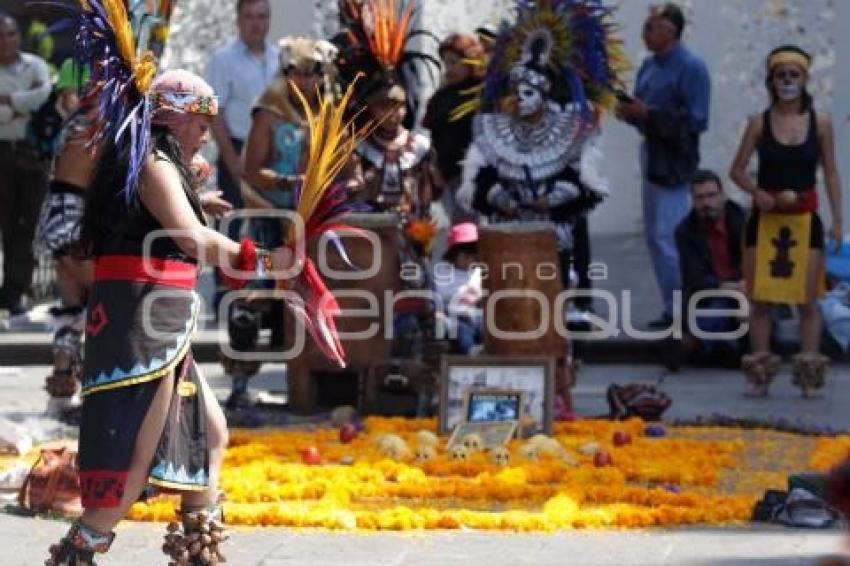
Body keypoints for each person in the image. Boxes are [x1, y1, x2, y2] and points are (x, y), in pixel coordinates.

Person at [457, 0, 623, 405]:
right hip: (508, 242)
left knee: (552, 320)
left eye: (529, 91)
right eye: (516, 91)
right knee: (508, 314)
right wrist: (503, 200)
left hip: (555, 241)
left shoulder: (569, 132)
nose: (521, 98)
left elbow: (591, 187)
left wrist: (554, 199)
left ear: (546, 96)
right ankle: (504, 394)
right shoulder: (495, 133)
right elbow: (476, 185)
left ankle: (558, 397)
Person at [221, 37, 338, 407]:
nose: (305, 82)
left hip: (314, 219)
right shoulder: (268, 111)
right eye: (297, 74)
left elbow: (346, 165)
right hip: (269, 216)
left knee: (320, 294)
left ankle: (318, 382)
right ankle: (241, 385)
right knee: (255, 294)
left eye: (313, 74)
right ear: (286, 74)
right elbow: (251, 169)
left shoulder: (331, 109)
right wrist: (289, 182)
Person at [729, 45, 842, 398]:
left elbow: (831, 173)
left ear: (805, 80)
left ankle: (809, 372)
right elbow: (736, 170)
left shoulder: (820, 123)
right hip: (765, 221)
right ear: (772, 81)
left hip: (805, 220)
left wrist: (838, 219)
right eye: (781, 75)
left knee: (808, 300)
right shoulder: (758, 123)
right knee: (761, 299)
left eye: (794, 75)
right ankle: (760, 372)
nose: (788, 81)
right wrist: (755, 190)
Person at [616, 3, 711, 329]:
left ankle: (684, 311)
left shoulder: (692, 67)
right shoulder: (648, 66)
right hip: (652, 153)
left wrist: (650, 115)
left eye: (651, 27)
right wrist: (631, 113)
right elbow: (645, 113)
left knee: (668, 234)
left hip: (675, 159)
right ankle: (671, 306)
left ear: (670, 31)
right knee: (655, 237)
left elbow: (698, 119)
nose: (645, 33)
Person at [206, 0, 279, 230]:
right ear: (238, 20)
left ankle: (268, 267)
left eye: (261, 16)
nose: (256, 23)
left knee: (273, 229)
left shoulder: (280, 59)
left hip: (275, 157)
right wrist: (233, 162)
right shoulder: (223, 60)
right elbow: (215, 114)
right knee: (232, 226)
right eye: (249, 17)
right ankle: (224, 268)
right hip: (237, 152)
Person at [0, 12, 51, 315]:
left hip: (31, 154)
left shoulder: (35, 65)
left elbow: (43, 97)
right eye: (0, 36)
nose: (6, 42)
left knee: (28, 224)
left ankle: (15, 290)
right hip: (1, 153)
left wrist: (11, 102)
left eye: (10, 34)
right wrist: (21, 105)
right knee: (6, 223)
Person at [674, 169, 747, 365]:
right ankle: (703, 345)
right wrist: (731, 289)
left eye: (711, 195)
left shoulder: (744, 221)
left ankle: (702, 345)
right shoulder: (685, 231)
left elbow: (754, 262)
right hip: (712, 293)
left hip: (745, 289)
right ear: (693, 200)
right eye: (700, 198)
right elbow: (694, 277)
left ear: (723, 195)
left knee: (745, 309)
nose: (706, 203)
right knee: (714, 312)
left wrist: (742, 287)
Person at [422, 33, 486, 222]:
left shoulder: (484, 94)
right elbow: (436, 137)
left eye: (454, 62)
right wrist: (436, 170)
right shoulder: (441, 97)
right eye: (445, 63)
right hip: (450, 179)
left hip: (481, 177)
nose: (448, 69)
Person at [433, 222, 483, 354]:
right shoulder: (444, 272)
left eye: (473, 256)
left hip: (475, 314)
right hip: (454, 315)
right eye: (466, 257)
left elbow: (482, 294)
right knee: (461, 332)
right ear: (453, 255)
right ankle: (471, 351)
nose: (470, 261)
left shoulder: (477, 272)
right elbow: (440, 295)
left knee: (486, 327)